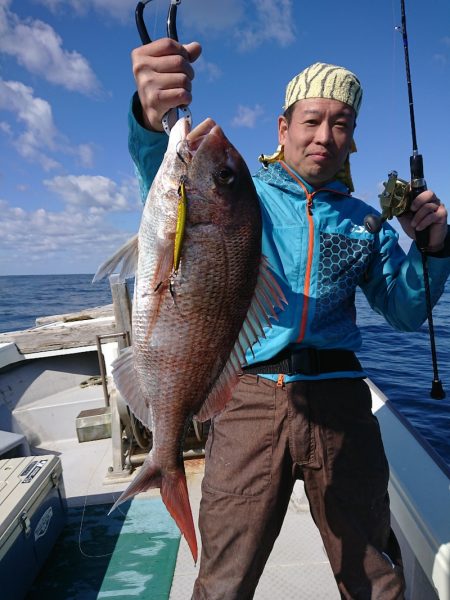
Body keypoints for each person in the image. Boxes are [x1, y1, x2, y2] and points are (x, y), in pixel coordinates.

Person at [127, 38, 450, 600]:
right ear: (282, 128)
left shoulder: (366, 223)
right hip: (248, 393)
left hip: (342, 399)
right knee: (224, 579)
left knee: (373, 575)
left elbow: (405, 309)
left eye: (341, 123)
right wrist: (152, 120)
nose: (325, 136)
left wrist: (433, 251)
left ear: (352, 137)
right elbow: (170, 184)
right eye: (312, 120)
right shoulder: (241, 192)